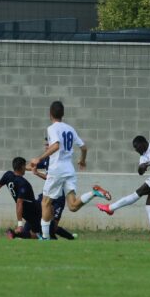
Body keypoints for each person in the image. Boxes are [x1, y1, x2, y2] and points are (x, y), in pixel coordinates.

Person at [29, 101, 111, 240]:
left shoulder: (52, 128)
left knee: (45, 202)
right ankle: (94, 192)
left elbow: (55, 146)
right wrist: (83, 160)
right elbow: (84, 147)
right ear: (63, 114)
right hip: (69, 169)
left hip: (57, 169)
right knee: (72, 206)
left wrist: (39, 158)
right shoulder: (70, 128)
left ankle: (45, 237)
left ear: (50, 114)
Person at [97, 119, 150, 242]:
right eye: (134, 148)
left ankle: (111, 208)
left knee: (138, 193)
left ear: (143, 143)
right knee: (149, 205)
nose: (136, 149)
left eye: (136, 146)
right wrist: (142, 167)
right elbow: (140, 172)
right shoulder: (143, 157)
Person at [0, 157, 42, 239]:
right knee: (41, 234)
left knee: (32, 231)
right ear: (21, 167)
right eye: (25, 166)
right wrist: (19, 224)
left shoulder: (8, 175)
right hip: (33, 210)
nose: (25, 168)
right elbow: (19, 203)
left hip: (25, 211)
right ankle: (17, 233)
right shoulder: (23, 183)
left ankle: (14, 233)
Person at [32, 138, 76, 240]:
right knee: (43, 216)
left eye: (48, 145)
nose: (46, 147)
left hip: (59, 196)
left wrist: (37, 173)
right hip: (49, 194)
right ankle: (47, 237)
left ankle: (69, 238)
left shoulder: (58, 161)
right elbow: (33, 165)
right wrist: (22, 167)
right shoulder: (47, 159)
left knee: (54, 225)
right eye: (46, 145)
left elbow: (51, 178)